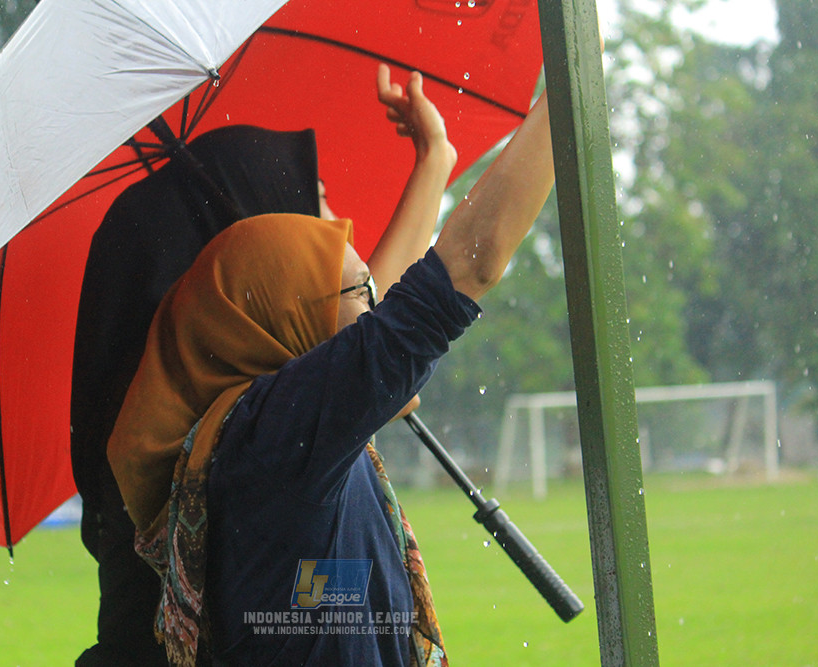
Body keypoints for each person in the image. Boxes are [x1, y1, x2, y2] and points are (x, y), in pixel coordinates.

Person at [107, 65, 554, 666]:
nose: (377, 311)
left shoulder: (257, 436)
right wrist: (572, 87)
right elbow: (457, 278)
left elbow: (379, 334)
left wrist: (435, 161)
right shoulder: (272, 438)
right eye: (360, 295)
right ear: (282, 318)